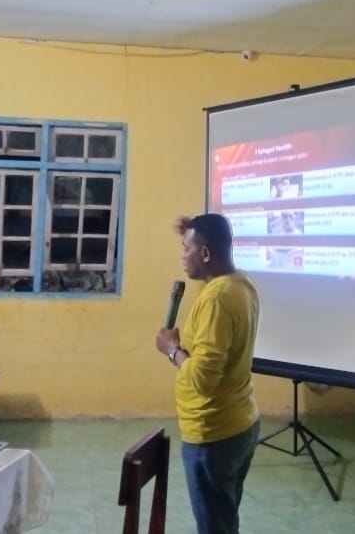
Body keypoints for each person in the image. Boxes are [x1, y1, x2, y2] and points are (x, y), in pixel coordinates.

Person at [155, 214, 261, 534]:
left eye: (185, 248)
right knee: (224, 518)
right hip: (240, 423)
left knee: (215, 526)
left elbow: (203, 379)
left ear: (204, 253)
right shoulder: (241, 284)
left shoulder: (217, 299)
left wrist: (172, 350)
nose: (182, 256)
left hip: (213, 434)